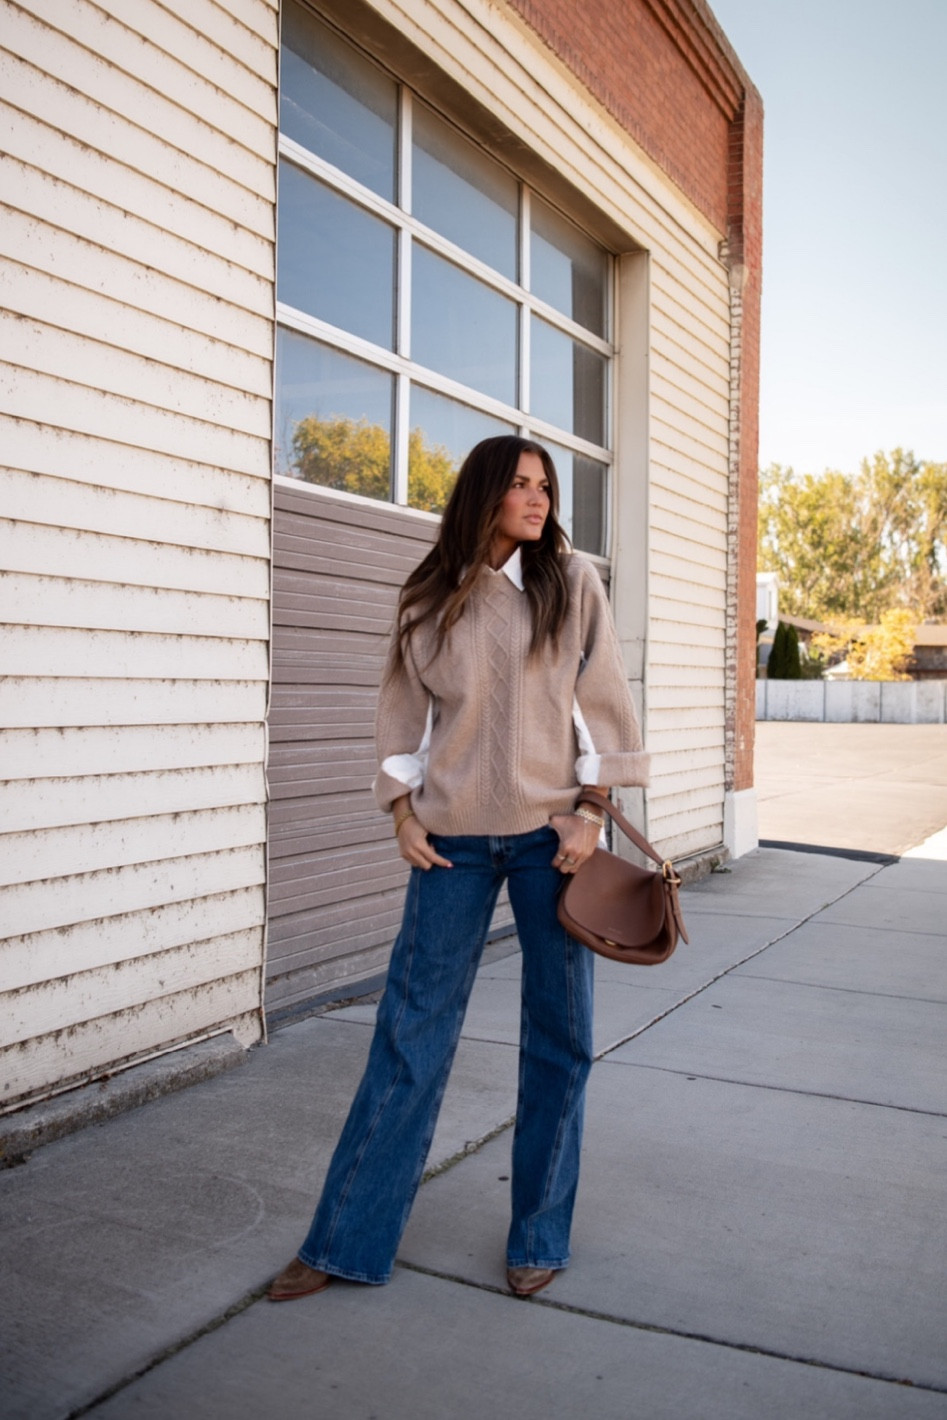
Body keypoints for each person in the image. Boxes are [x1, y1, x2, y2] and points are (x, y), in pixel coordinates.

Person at [268, 434, 649, 1302]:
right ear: (483, 494)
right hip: (451, 845)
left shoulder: (571, 584)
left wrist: (591, 814)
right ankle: (343, 1240)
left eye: (545, 485)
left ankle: (539, 1235)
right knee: (409, 1037)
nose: (538, 498)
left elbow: (606, 711)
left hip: (554, 843)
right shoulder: (429, 596)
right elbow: (400, 720)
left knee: (559, 1041)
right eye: (519, 484)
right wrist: (401, 815)